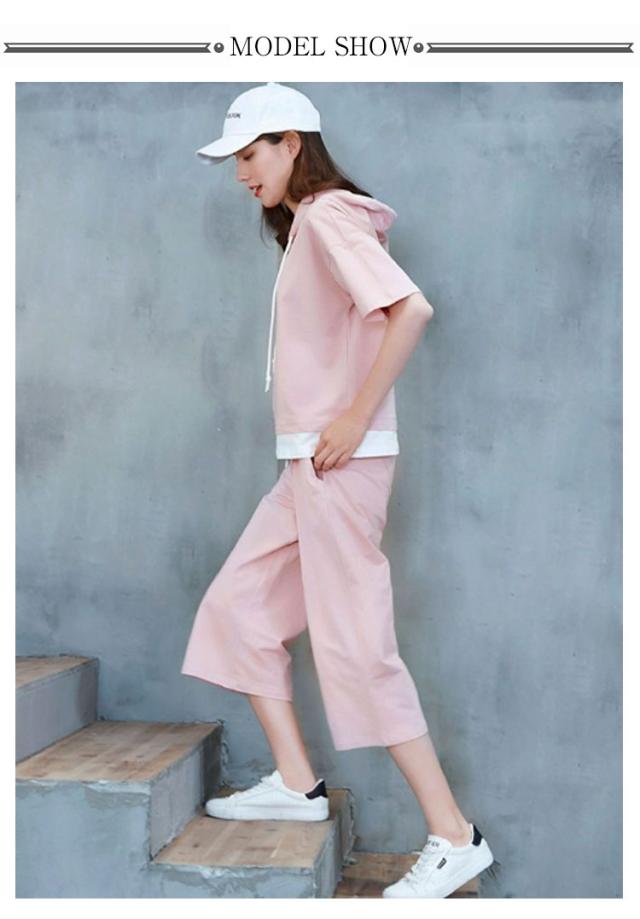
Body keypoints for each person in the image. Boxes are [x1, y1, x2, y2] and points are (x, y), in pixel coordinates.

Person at [181, 82, 497, 898]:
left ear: (293, 143)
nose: (241, 173)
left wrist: (355, 417)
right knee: (240, 608)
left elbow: (411, 309)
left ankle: (454, 835)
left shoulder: (326, 218)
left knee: (359, 647)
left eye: (250, 154)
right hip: (306, 467)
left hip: (339, 468)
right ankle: (297, 781)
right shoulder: (307, 228)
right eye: (234, 160)